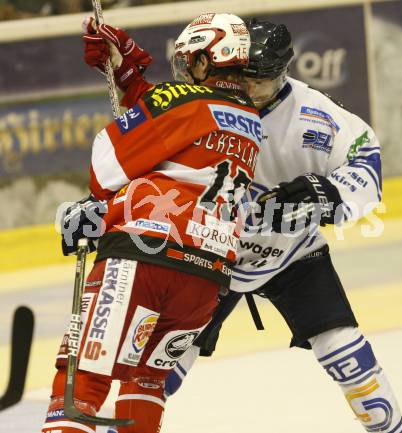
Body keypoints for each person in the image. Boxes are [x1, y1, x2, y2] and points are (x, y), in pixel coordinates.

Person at [82, 18, 402, 433]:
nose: (248, 91)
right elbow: (160, 115)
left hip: (293, 251)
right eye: (239, 78)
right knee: (161, 365)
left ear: (283, 73)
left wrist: (327, 191)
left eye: (260, 82)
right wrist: (126, 71)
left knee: (345, 352)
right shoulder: (209, 104)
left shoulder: (315, 116)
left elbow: (365, 158)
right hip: (214, 250)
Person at [41, 13, 261, 433]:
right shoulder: (250, 120)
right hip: (205, 278)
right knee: (146, 382)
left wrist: (100, 209)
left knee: (82, 379)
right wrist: (126, 72)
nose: (186, 69)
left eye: (191, 61)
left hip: (143, 261)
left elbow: (107, 169)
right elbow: (180, 127)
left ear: (205, 60)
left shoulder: (187, 101)